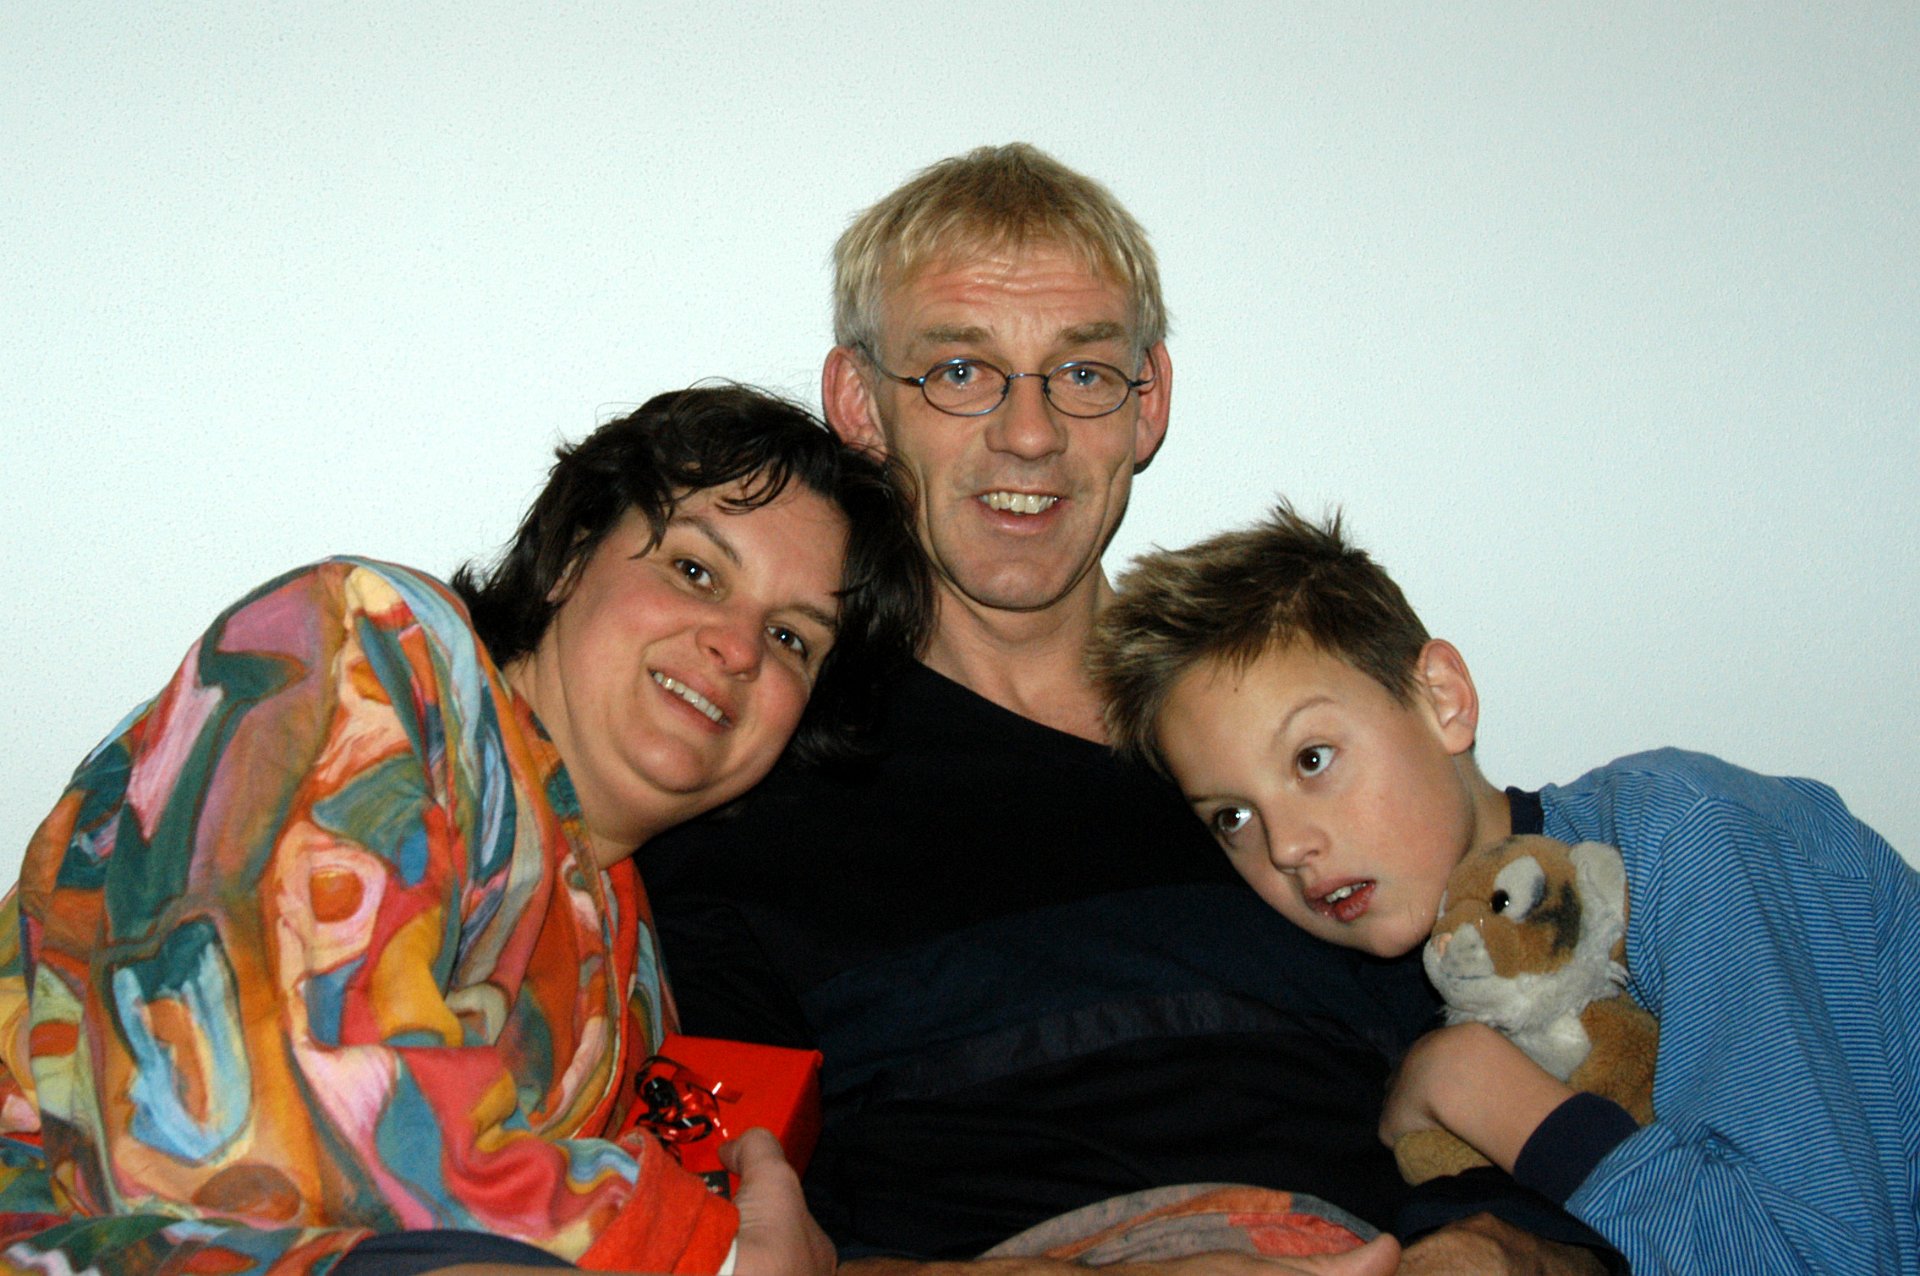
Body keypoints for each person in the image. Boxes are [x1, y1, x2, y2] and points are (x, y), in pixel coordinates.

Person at [644, 144, 1614, 1274]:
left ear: (1148, 402)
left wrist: (1487, 1257)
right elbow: (749, 1240)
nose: (1030, 432)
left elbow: (1533, 1126)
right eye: (960, 370)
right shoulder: (752, 783)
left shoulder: (1300, 754)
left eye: (1083, 373)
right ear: (860, 404)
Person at [0, 385, 933, 1276]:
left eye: (791, 639)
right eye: (695, 571)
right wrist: (703, 1247)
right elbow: (238, 1130)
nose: (737, 647)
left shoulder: (633, 981)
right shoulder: (371, 649)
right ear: (570, 558)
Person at [1088, 501, 1920, 1273]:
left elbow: (1827, 1260)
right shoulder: (1396, 991)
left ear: (1443, 699)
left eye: (1313, 758)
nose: (1289, 846)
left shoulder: (1677, 836)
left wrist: (1489, 1096)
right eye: (1232, 817)